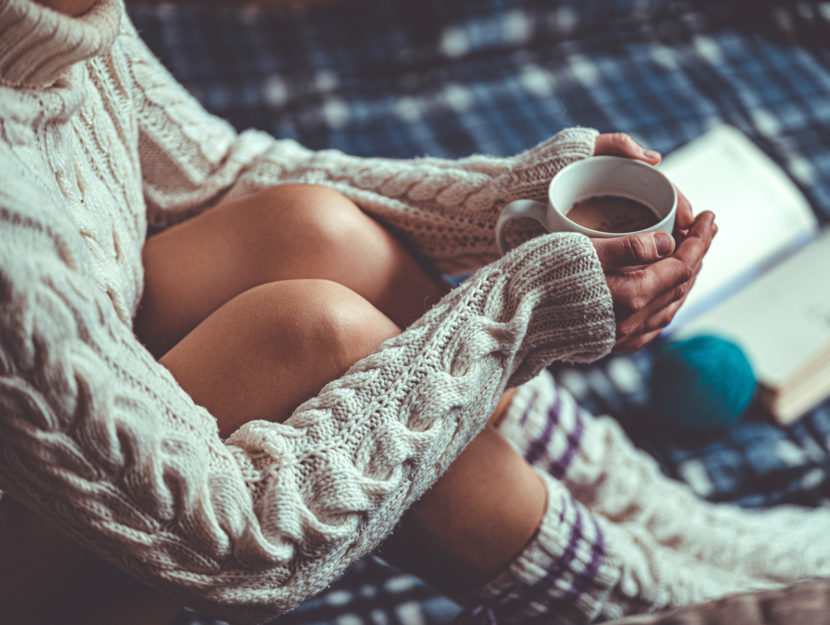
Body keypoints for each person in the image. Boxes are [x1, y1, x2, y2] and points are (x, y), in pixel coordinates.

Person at [1, 1, 828, 624]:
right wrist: (515, 311)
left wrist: (506, 201)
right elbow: (224, 541)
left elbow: (216, 171)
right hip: (44, 545)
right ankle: (633, 589)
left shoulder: (54, 21)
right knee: (322, 331)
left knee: (310, 226)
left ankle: (651, 514)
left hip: (90, 383)